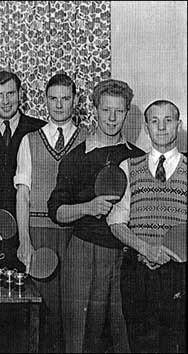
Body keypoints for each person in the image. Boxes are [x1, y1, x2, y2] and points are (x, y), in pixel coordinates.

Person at [47, 79, 144, 353]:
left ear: (127, 113)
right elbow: (56, 210)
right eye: (106, 110)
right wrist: (88, 207)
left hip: (126, 257)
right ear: (95, 110)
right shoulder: (77, 157)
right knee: (80, 336)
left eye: (120, 111)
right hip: (84, 254)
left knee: (125, 335)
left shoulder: (138, 158)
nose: (112, 118)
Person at [14, 73, 87, 352]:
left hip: (76, 236)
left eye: (65, 99)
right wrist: (24, 241)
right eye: (53, 99)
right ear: (45, 100)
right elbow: (23, 195)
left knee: (73, 312)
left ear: (76, 100)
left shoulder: (88, 138)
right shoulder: (30, 140)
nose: (59, 105)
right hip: (39, 234)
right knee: (43, 312)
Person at [108, 100, 186, 353]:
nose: (161, 127)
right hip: (137, 273)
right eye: (154, 121)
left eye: (168, 120)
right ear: (146, 127)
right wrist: (146, 249)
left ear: (179, 125)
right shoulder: (128, 167)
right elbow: (116, 222)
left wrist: (171, 253)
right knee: (140, 345)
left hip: (179, 275)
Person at [0, 71, 46, 271]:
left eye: (11, 93)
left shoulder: (39, 130)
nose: (5, 101)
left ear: (20, 93)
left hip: (29, 235)